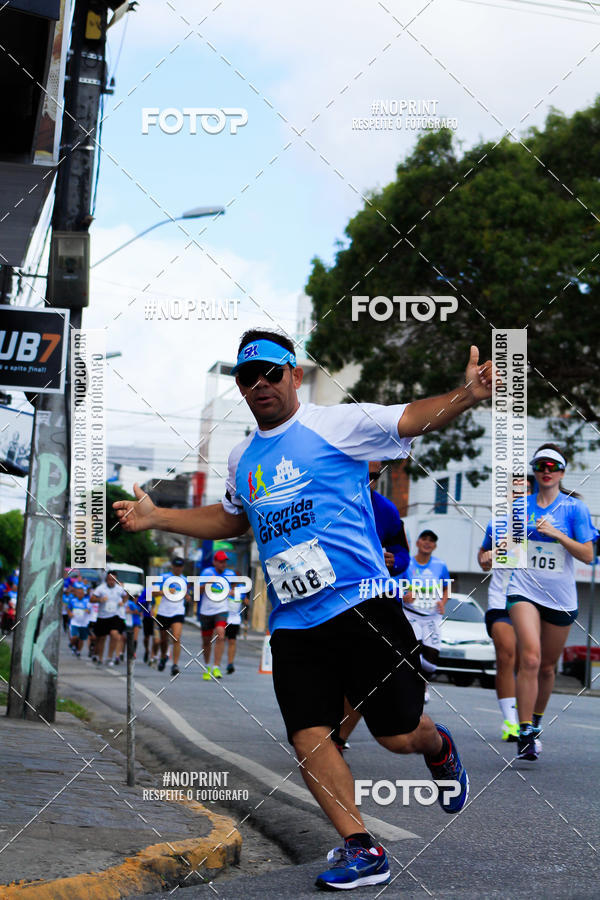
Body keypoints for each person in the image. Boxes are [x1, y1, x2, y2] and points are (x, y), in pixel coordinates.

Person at [114, 328, 493, 890]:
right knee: (309, 736)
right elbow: (232, 520)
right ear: (241, 387)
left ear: (294, 374)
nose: (260, 384)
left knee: (398, 734)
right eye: (248, 377)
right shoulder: (244, 456)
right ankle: (362, 847)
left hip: (364, 606)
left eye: (271, 372)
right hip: (294, 622)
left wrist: (466, 396)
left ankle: (439, 750)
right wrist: (155, 518)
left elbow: (411, 418)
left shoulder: (334, 424)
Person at [507, 444, 595, 761]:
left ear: (561, 472)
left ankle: (537, 722)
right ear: (535, 470)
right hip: (524, 589)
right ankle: (525, 730)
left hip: (560, 597)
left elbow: (588, 554)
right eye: (541, 465)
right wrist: (491, 557)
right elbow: (509, 552)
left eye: (553, 466)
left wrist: (558, 534)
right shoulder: (520, 508)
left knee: (546, 667)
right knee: (530, 658)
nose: (547, 470)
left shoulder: (575, 510)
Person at [335, 460, 410, 749]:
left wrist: (396, 560)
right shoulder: (326, 502)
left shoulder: (387, 510)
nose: (368, 482)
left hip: (371, 598)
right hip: (330, 598)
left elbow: (402, 551)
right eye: (360, 474)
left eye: (374, 476)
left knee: (362, 674)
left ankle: (338, 739)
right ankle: (322, 730)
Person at [478, 475, 531, 742]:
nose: (518, 496)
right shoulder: (496, 524)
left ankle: (524, 720)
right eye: (514, 492)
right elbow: (482, 558)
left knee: (525, 662)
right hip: (500, 601)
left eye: (525, 492)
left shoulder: (542, 527)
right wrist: (486, 557)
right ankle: (510, 723)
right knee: (506, 655)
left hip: (532, 604)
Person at [402, 530, 451, 704]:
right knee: (414, 651)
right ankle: (414, 687)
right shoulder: (407, 564)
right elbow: (395, 585)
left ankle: (423, 683)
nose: (427, 542)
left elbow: (447, 588)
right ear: (417, 542)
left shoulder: (440, 565)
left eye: (431, 540)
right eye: (424, 539)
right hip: (411, 615)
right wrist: (403, 595)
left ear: (435, 546)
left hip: (432, 617)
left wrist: (443, 602)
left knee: (431, 662)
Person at [198, 550, 235, 680]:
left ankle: (216, 667)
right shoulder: (207, 573)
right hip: (206, 610)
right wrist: (208, 584)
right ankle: (207, 666)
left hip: (221, 609)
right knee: (206, 641)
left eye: (225, 561)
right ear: (214, 562)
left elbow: (235, 588)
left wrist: (232, 591)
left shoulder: (230, 574)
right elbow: (197, 590)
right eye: (220, 561)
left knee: (220, 635)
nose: (223, 564)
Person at [151, 556, 188, 677]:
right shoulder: (164, 577)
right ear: (172, 566)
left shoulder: (185, 580)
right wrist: (165, 591)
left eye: (180, 566)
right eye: (176, 566)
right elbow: (153, 592)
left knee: (176, 637)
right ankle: (163, 657)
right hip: (163, 612)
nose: (178, 569)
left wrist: (188, 597)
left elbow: (187, 594)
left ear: (183, 567)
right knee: (163, 640)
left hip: (178, 611)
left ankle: (175, 665)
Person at [92, 572, 127, 666]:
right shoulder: (101, 588)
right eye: (110, 579)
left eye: (113, 580)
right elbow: (92, 599)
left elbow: (125, 595)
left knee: (114, 634)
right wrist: (100, 600)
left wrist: (123, 603)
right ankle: (100, 658)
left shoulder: (119, 589)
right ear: (106, 579)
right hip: (102, 616)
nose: (111, 582)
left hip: (115, 616)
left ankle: (109, 657)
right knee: (101, 638)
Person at [224, 569, 250, 674]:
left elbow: (246, 603)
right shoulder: (224, 589)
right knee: (220, 640)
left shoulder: (241, 591)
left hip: (235, 620)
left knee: (232, 641)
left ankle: (230, 663)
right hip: (223, 619)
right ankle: (216, 664)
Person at [68, 581, 91, 657]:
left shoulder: (87, 601)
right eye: (79, 593)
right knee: (75, 637)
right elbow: (68, 609)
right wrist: (70, 613)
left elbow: (91, 610)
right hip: (75, 622)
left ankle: (78, 651)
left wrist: (88, 611)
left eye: (81, 593)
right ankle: (72, 644)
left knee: (82, 639)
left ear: (84, 594)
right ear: (76, 593)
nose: (80, 594)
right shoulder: (73, 601)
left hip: (84, 623)